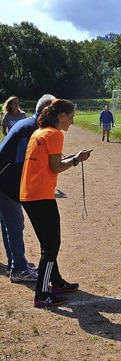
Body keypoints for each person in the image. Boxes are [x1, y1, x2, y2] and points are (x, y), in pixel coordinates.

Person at [20, 99, 92, 307]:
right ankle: (42, 294)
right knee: (51, 245)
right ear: (61, 116)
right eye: (70, 117)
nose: (72, 122)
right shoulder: (54, 134)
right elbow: (56, 167)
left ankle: (56, 282)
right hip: (40, 195)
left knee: (49, 243)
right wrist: (77, 159)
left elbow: (48, 162)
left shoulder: (40, 131)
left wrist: (74, 158)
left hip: (30, 194)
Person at [0, 94, 55, 283]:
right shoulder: (32, 128)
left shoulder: (30, 124)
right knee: (15, 224)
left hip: (5, 178)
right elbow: (23, 163)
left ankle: (15, 264)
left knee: (10, 224)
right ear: (46, 111)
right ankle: (18, 269)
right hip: (6, 180)